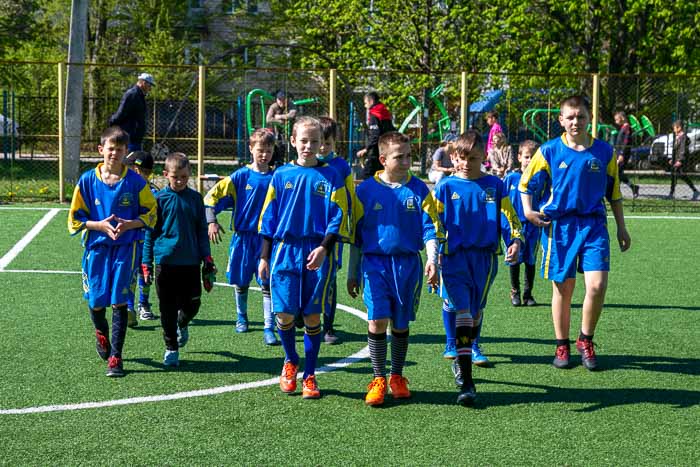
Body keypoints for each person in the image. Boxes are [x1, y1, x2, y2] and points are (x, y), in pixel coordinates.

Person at [519, 95, 632, 372]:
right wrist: (529, 212)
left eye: (580, 116)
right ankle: (561, 344)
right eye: (570, 117)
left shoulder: (604, 152)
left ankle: (586, 339)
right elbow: (525, 185)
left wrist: (621, 226)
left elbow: (614, 193)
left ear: (589, 118)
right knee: (564, 288)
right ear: (561, 120)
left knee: (596, 286)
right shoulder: (548, 151)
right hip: (561, 227)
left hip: (594, 225)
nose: (575, 121)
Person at [258, 116, 350, 399]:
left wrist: (324, 248)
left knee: (312, 316)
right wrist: (264, 257)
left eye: (314, 141)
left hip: (316, 251)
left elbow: (338, 217)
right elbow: (268, 219)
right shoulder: (281, 175)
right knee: (284, 314)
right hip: (285, 250)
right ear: (293, 142)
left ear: (323, 143)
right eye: (303, 141)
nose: (308, 146)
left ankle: (310, 375)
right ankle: (290, 360)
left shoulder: (332, 175)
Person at [347, 131, 442, 406]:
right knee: (377, 319)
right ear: (383, 159)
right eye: (399, 157)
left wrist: (432, 260)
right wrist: (353, 273)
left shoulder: (420, 190)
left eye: (409, 156)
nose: (406, 162)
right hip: (374, 264)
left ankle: (397, 376)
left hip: (407, 265)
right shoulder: (365, 191)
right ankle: (378, 378)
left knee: (400, 324)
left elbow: (430, 229)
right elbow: (356, 237)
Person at [434, 129, 522, 406]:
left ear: (484, 156)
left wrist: (515, 240)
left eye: (473, 158)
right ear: (453, 157)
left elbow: (509, 217)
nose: (467, 163)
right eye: (461, 158)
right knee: (462, 312)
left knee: (475, 312)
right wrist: (432, 252)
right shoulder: (445, 187)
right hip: (454, 258)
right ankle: (466, 378)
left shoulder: (495, 185)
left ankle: (466, 349)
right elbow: (433, 222)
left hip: (485, 259)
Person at [67, 126, 157, 377]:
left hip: (126, 248)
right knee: (96, 302)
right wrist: (99, 225)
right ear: (101, 150)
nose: (114, 153)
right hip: (96, 247)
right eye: (110, 149)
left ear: (126, 151)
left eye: (120, 149)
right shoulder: (87, 181)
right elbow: (75, 217)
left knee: (119, 300)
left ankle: (116, 356)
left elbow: (151, 213)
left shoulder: (136, 182)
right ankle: (101, 333)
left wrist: (130, 224)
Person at [142, 152, 216, 368]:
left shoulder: (195, 199)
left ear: (189, 174)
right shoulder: (159, 199)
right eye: (176, 177)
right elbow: (149, 234)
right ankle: (171, 348)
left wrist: (207, 258)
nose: (180, 181)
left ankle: (182, 323)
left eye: (184, 177)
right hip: (165, 263)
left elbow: (202, 231)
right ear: (166, 175)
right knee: (166, 309)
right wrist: (146, 263)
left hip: (191, 263)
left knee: (193, 304)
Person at [204, 129, 277, 345]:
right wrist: (211, 221)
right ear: (251, 149)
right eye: (260, 150)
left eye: (268, 151)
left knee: (267, 282)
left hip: (266, 240)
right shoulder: (239, 176)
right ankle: (241, 317)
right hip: (243, 239)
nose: (264, 155)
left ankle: (268, 326)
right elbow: (211, 196)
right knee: (241, 281)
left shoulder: (277, 177)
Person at [317, 116, 355, 345]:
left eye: (327, 143)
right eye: (317, 142)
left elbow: (349, 198)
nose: (321, 148)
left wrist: (349, 227)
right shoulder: (304, 165)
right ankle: (306, 316)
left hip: (332, 235)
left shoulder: (341, 166)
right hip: (306, 233)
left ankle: (328, 326)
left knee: (328, 278)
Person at [501, 140, 546, 307]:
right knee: (514, 258)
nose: (530, 160)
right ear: (519, 157)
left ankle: (528, 294)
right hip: (514, 226)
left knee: (530, 259)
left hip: (533, 225)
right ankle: (515, 291)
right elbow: (502, 202)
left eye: (533, 157)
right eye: (527, 157)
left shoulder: (540, 178)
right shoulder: (511, 178)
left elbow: (545, 198)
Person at [124, 150, 160, 324]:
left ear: (138, 170)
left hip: (147, 240)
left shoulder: (153, 192)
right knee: (130, 273)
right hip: (130, 239)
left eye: (130, 167)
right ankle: (129, 306)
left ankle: (143, 304)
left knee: (145, 273)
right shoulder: (126, 188)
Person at [109, 73, 155, 152]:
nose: (150, 88)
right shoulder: (132, 94)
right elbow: (121, 113)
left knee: (135, 160)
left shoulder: (139, 95)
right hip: (129, 135)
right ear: (144, 83)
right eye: (149, 85)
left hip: (135, 136)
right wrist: (112, 121)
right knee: (129, 160)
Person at [356, 91, 395, 180]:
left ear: (371, 101)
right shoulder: (384, 112)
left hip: (375, 152)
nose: (365, 106)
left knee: (365, 176)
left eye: (365, 103)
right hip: (386, 149)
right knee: (382, 176)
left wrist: (366, 149)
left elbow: (375, 135)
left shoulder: (375, 114)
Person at [668, 120, 699, 200]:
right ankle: (694, 191)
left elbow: (682, 150)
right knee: (678, 175)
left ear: (679, 128)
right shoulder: (678, 137)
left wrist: (680, 161)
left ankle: (671, 193)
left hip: (681, 160)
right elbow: (676, 150)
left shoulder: (683, 137)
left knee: (678, 175)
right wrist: (673, 159)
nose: (673, 130)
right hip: (677, 159)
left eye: (674, 128)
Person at [613, 111, 640, 198]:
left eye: (617, 119)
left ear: (622, 118)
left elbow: (625, 142)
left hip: (623, 155)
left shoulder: (627, 127)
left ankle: (617, 192)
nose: (615, 121)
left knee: (617, 172)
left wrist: (621, 154)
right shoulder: (623, 128)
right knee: (618, 173)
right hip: (619, 153)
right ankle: (633, 187)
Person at [266, 90, 297, 167]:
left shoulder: (291, 105)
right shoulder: (274, 106)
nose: (281, 102)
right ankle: (278, 165)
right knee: (279, 150)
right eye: (279, 99)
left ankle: (291, 164)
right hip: (277, 133)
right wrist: (279, 121)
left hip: (289, 132)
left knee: (290, 151)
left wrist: (279, 116)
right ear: (276, 99)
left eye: (283, 99)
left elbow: (292, 115)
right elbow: (268, 119)